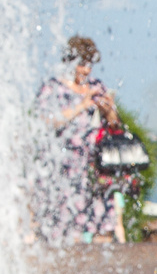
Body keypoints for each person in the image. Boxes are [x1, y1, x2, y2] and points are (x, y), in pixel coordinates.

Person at [33, 35, 124, 245]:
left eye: (90, 65)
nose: (86, 70)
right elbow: (46, 122)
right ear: (70, 62)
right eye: (82, 64)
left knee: (102, 227)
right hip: (63, 171)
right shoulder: (53, 88)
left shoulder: (96, 86)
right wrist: (81, 106)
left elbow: (114, 125)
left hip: (93, 170)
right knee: (66, 231)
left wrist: (109, 111)